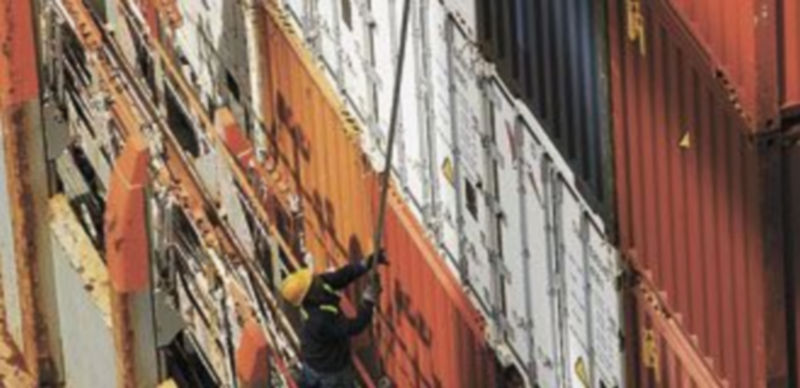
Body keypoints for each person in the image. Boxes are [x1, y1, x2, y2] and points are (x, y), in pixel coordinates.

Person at [280, 250, 388, 387]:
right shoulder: (320, 319)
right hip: (329, 373)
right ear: (309, 294)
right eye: (312, 281)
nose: (317, 279)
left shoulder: (317, 289)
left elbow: (341, 276)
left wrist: (366, 263)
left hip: (314, 361)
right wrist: (368, 300)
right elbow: (355, 327)